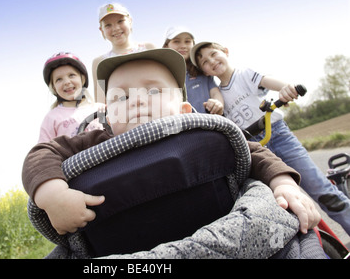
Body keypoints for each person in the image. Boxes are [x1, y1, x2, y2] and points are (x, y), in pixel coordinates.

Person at [23, 48, 320, 241]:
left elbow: (255, 152)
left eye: (153, 90)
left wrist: (284, 184)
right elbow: (43, 153)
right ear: (107, 116)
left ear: (185, 110)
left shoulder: (200, 129)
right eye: (121, 97)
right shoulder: (96, 140)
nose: (137, 99)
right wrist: (53, 195)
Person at [190, 41, 350, 236]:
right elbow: (219, 109)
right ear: (205, 72)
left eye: (214, 54)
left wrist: (286, 88)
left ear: (225, 52)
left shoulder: (244, 75)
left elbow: (270, 81)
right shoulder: (217, 96)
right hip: (257, 149)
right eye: (205, 62)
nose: (212, 61)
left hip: (278, 135)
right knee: (285, 203)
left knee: (321, 190)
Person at [92, 3, 155, 102]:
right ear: (101, 30)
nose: (116, 28)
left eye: (120, 21)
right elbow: (101, 102)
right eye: (108, 25)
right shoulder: (99, 62)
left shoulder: (148, 48)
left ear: (130, 21)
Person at [38, 52, 104, 143]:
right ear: (53, 87)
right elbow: (44, 148)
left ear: (82, 79)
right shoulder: (51, 118)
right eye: (59, 79)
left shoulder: (100, 108)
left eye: (71, 75)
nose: (67, 82)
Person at [163, 26, 223, 115]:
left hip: (210, 122)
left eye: (187, 41)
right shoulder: (163, 74)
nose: (183, 46)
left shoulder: (202, 70)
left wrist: (217, 103)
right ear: (166, 46)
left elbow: (215, 92)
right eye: (176, 41)